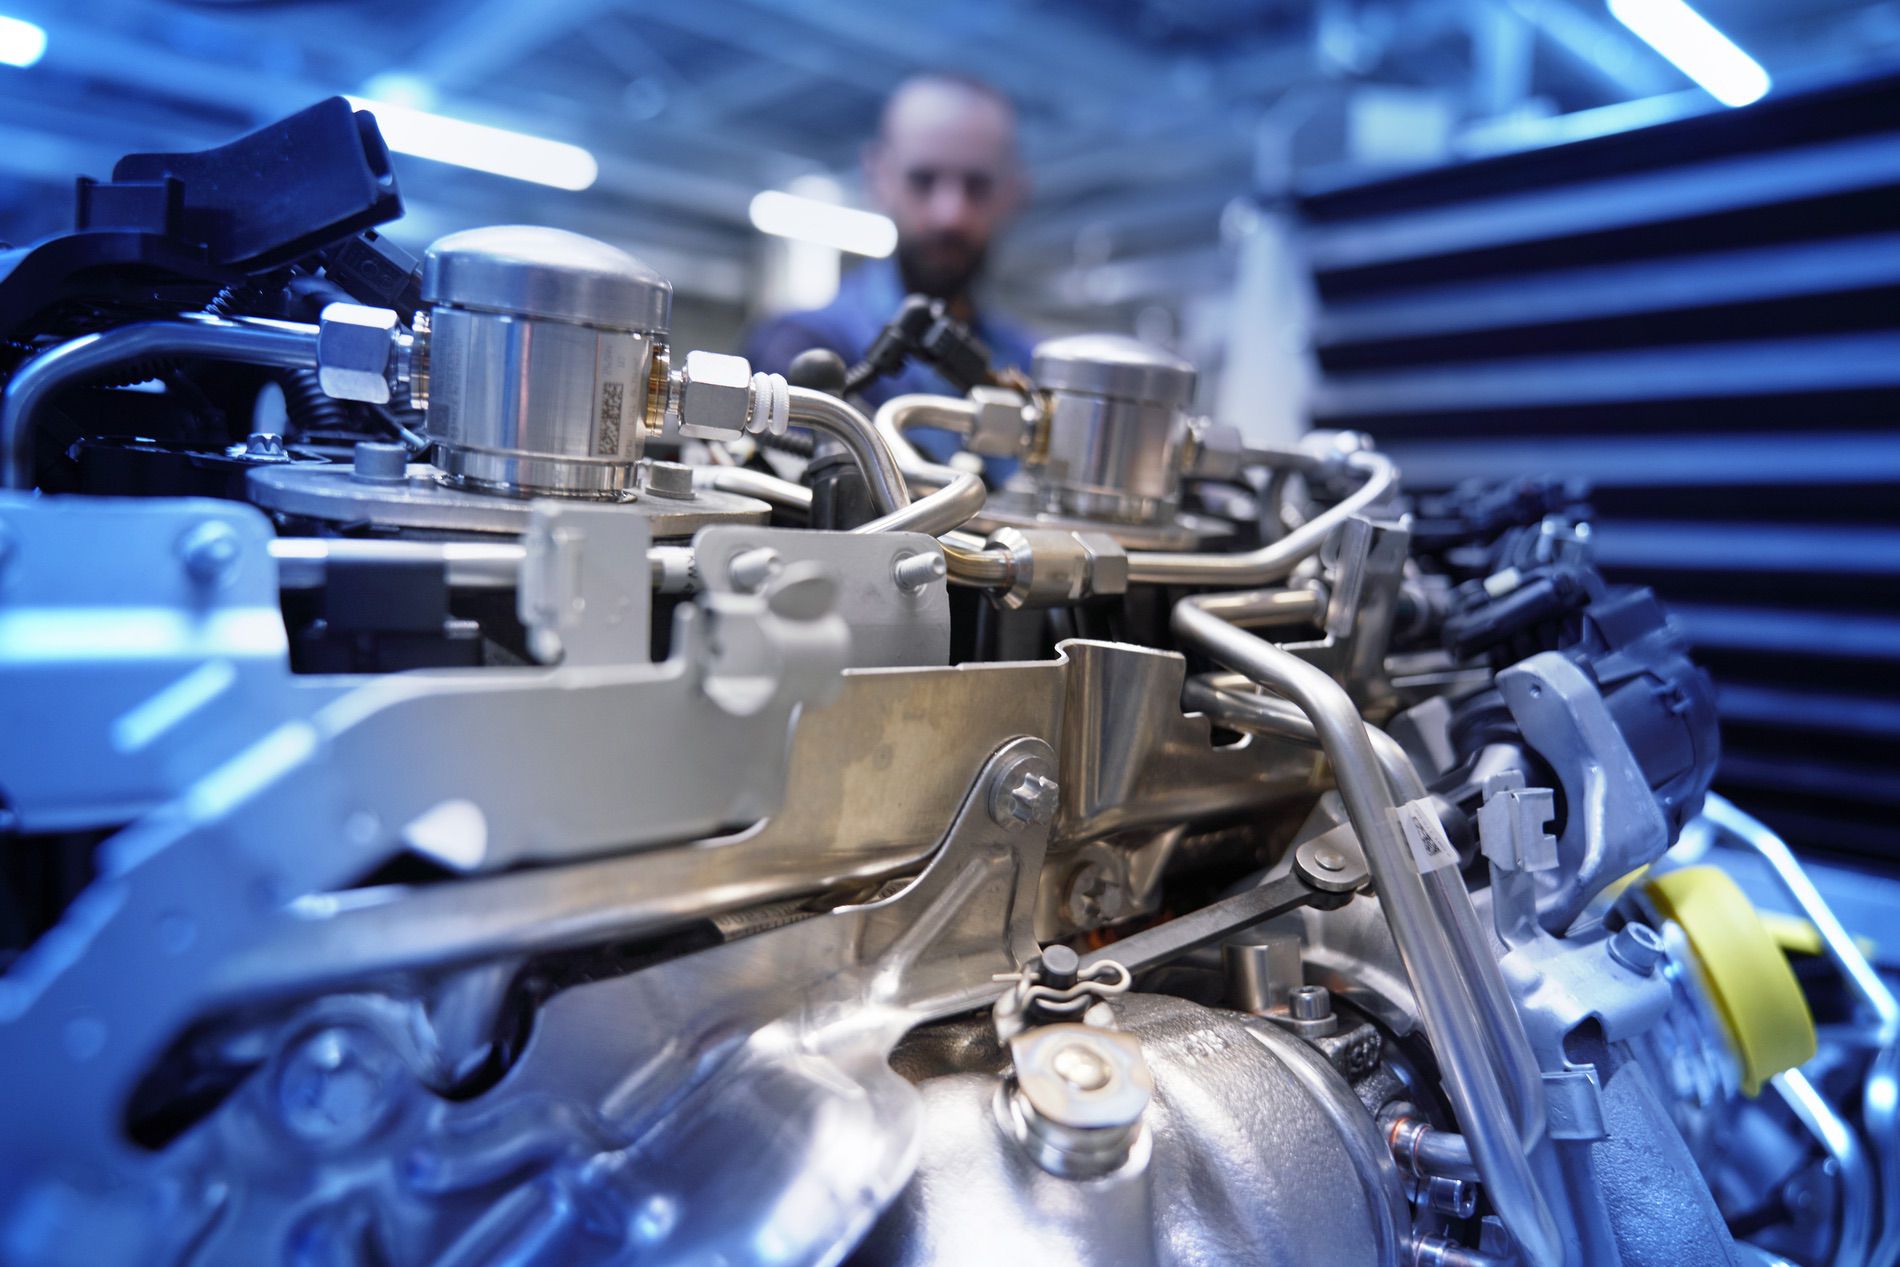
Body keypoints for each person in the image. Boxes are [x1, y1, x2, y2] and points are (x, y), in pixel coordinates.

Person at [743, 73, 1036, 478]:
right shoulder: (802, 347)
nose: (950, 215)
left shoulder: (1029, 366)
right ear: (878, 176)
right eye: (923, 180)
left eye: (977, 186)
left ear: (1013, 192)